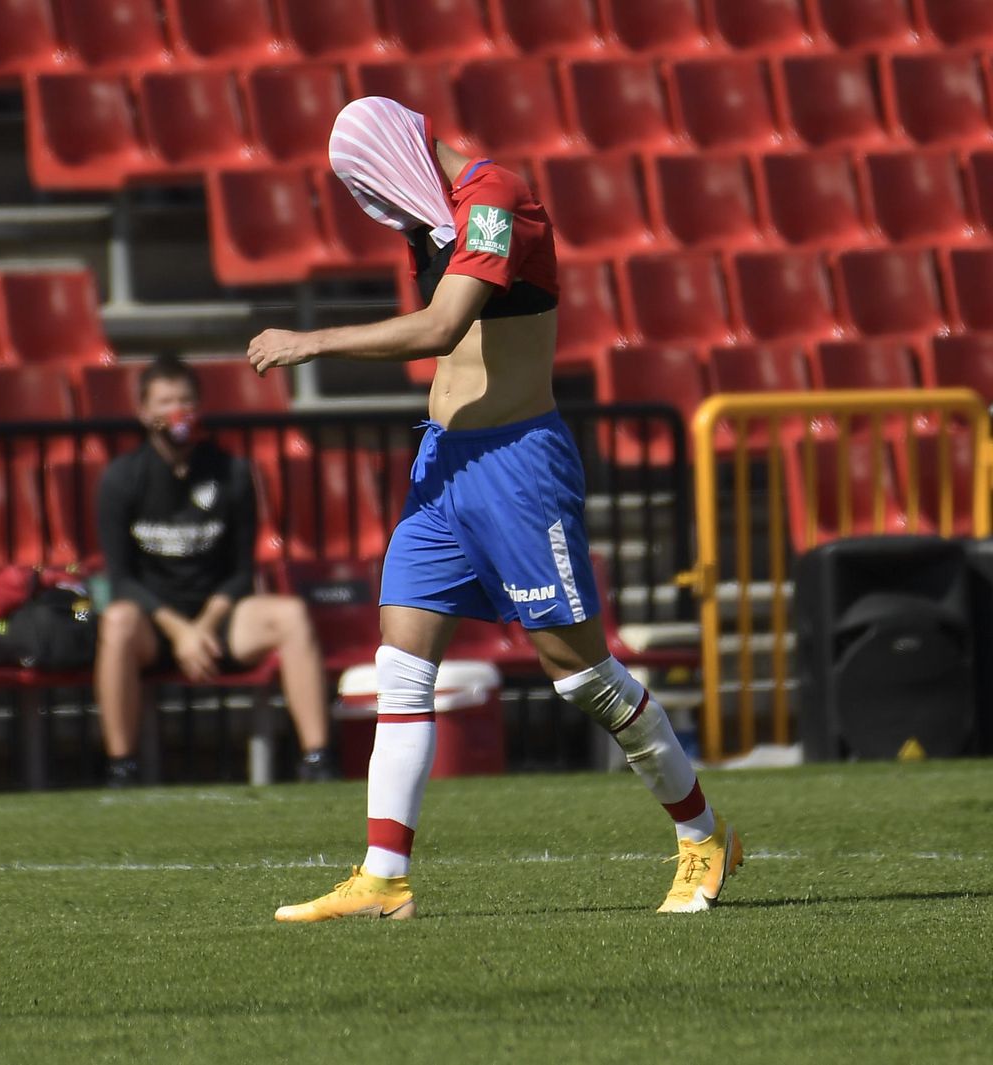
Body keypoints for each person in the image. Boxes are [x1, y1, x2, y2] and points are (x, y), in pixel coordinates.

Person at [249, 97, 742, 920]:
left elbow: (443, 328)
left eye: (367, 181)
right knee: (402, 662)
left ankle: (703, 833)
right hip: (443, 466)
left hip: (517, 468)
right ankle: (384, 879)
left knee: (582, 675)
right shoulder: (431, 220)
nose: (372, 202)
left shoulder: (495, 198)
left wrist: (311, 341)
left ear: (395, 154)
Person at [94, 355, 334, 786]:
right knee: (116, 621)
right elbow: (122, 580)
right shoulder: (121, 477)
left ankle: (317, 759)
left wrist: (202, 628)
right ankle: (121, 767)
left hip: (219, 620)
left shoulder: (232, 473)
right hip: (155, 625)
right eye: (165, 402)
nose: (177, 412)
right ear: (144, 413)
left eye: (185, 401)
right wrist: (180, 633)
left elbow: (241, 572)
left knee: (292, 615)